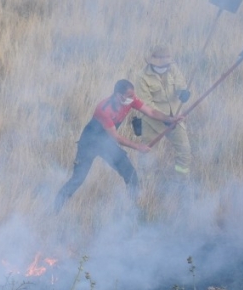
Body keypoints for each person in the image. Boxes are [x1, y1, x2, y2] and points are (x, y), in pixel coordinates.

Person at [54, 79, 183, 212]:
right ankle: (55, 209)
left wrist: (170, 119)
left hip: (105, 143)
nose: (133, 98)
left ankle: (134, 211)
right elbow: (116, 137)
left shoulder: (131, 100)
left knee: (131, 174)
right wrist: (138, 147)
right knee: (78, 179)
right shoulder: (103, 109)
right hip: (89, 144)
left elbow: (150, 112)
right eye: (129, 96)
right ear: (118, 95)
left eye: (133, 96)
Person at [135, 45, 192, 175]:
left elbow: (180, 84)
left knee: (184, 150)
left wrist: (183, 92)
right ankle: (144, 185)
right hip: (152, 120)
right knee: (147, 155)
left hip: (175, 117)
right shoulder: (142, 77)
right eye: (160, 66)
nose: (164, 68)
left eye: (166, 65)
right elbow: (146, 105)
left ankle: (181, 182)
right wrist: (165, 118)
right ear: (152, 63)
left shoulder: (173, 69)